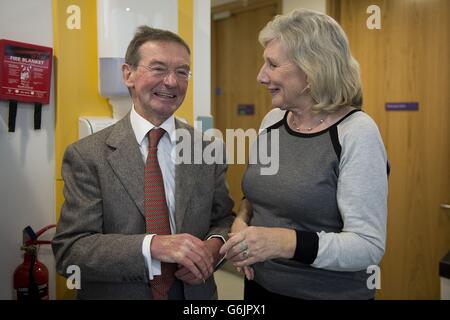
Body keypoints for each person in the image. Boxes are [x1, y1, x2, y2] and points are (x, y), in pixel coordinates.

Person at [52, 26, 234, 300]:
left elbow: (223, 220)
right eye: (158, 69)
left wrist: (213, 248)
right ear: (129, 75)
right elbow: (71, 251)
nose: (172, 81)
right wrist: (153, 246)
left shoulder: (208, 149)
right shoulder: (87, 155)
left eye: (182, 71)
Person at [220, 9, 388, 300]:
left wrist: (283, 242)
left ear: (312, 70)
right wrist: (242, 223)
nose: (261, 76)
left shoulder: (357, 132)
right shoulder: (272, 121)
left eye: (272, 64)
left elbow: (367, 245)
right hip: (260, 286)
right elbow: (261, 194)